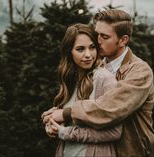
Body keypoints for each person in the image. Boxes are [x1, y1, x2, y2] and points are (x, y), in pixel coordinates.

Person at [42, 9, 154, 157]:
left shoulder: (140, 72)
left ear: (123, 40)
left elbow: (109, 106)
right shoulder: (93, 67)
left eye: (104, 36)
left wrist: (66, 114)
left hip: (131, 152)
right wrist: (51, 120)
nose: (98, 40)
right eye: (97, 34)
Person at [42, 23, 122, 157]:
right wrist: (50, 123)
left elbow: (114, 132)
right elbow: (64, 117)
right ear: (69, 52)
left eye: (92, 47)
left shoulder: (104, 79)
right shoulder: (70, 80)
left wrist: (64, 132)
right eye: (80, 49)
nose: (88, 55)